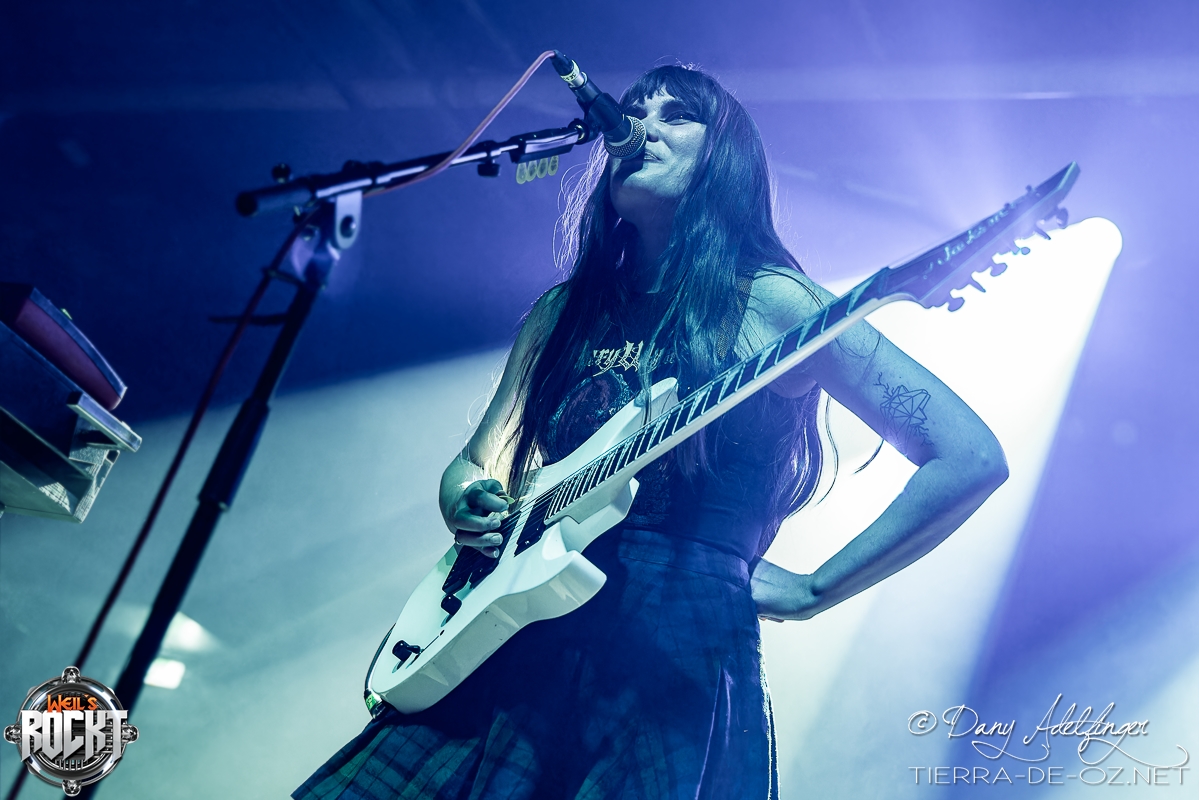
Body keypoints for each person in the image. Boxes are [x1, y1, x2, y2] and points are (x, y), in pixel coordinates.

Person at [294, 64, 1007, 800]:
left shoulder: (775, 303)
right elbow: (478, 460)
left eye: (676, 115)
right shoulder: (563, 312)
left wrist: (815, 588)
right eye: (635, 109)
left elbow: (967, 454)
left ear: (724, 160)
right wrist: (466, 497)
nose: (642, 125)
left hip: (670, 652)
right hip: (509, 632)